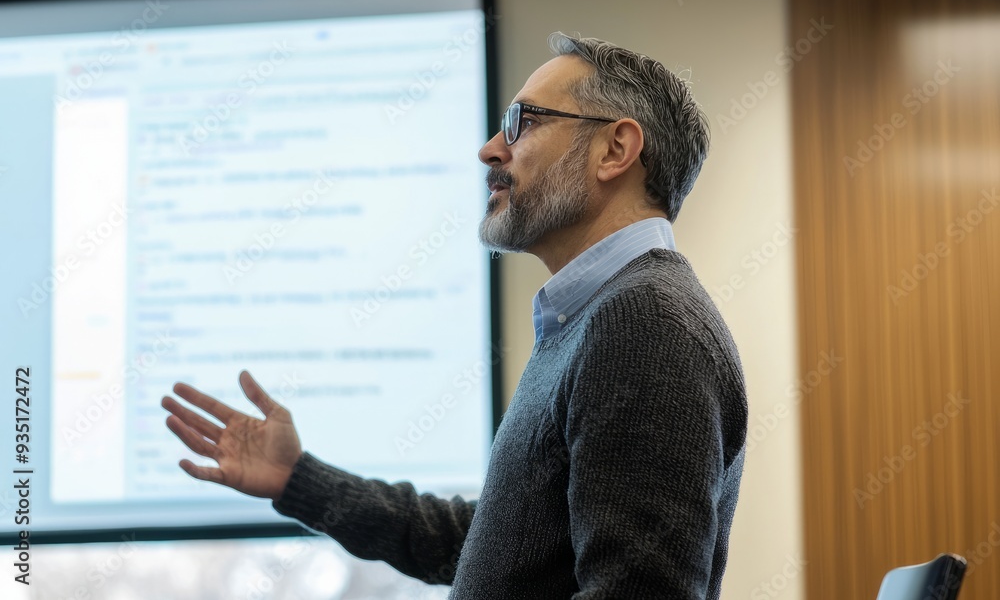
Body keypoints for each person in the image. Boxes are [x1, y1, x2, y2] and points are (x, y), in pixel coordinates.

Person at [162, 32, 748, 599]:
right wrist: (300, 480)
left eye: (522, 123)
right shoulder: (599, 315)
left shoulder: (645, 324)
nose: (490, 149)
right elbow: (492, 544)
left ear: (615, 150)